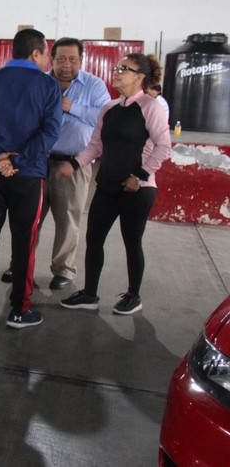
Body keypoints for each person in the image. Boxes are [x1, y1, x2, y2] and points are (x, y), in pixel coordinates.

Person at [58, 53, 172, 315]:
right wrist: (74, 164)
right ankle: (89, 294)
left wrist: (140, 176)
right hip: (107, 185)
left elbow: (164, 146)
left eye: (124, 68)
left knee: (132, 242)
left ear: (140, 77)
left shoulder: (150, 107)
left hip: (138, 189)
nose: (117, 72)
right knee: (93, 239)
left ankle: (133, 296)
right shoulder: (109, 108)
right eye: (117, 67)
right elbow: (96, 145)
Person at [0, 28, 62, 329]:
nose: (48, 60)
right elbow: (50, 132)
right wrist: (18, 159)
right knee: (24, 243)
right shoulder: (48, 87)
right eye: (47, 54)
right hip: (28, 177)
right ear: (35, 53)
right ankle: (20, 310)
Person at [2, 38, 110, 291]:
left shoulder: (93, 86)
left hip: (73, 164)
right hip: (36, 162)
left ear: (81, 60)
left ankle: (63, 271)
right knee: (27, 218)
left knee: (68, 220)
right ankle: (19, 264)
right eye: (61, 59)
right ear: (51, 59)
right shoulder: (39, 82)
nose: (66, 65)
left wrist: (72, 107)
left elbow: (106, 116)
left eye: (73, 59)